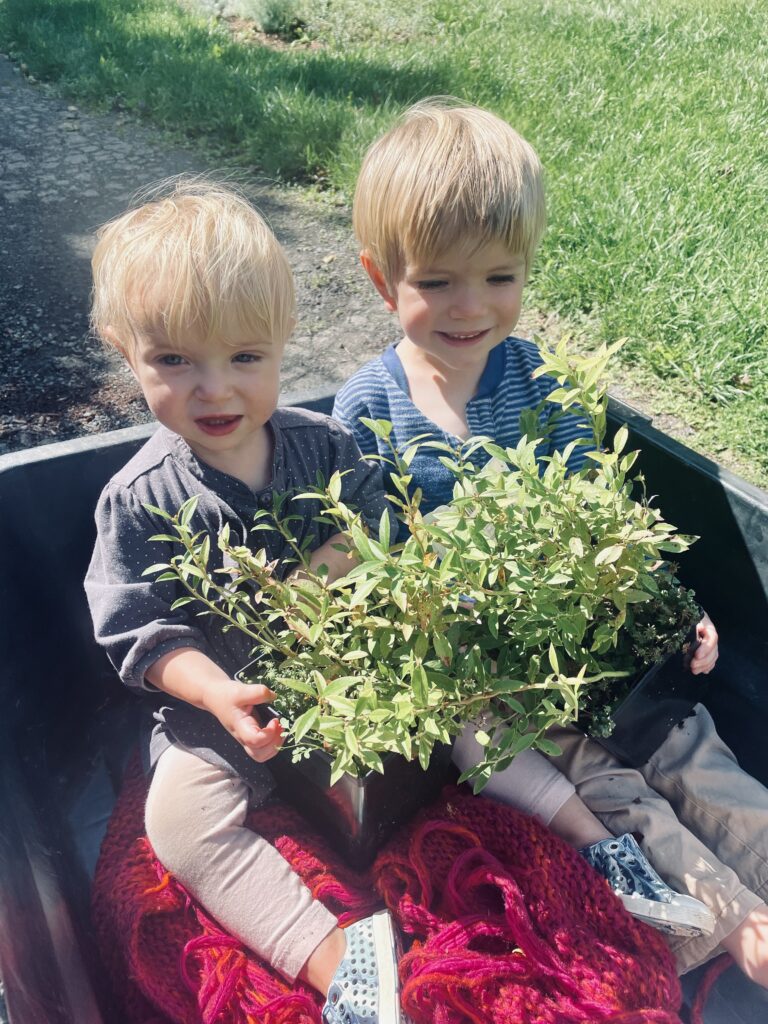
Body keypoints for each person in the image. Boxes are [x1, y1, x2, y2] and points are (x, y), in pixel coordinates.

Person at [332, 97, 768, 985]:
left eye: (499, 277)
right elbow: (374, 560)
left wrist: (670, 607)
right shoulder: (363, 411)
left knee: (691, 746)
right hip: (494, 674)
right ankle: (729, 925)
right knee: (605, 783)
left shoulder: (541, 384)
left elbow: (603, 518)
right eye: (437, 282)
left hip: (594, 647)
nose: (472, 307)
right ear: (385, 282)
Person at [84, 177, 403, 1024]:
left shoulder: (324, 446)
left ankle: (600, 841)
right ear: (128, 354)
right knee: (177, 826)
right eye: (175, 361)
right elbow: (137, 628)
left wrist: (327, 573)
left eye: (245, 359)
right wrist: (213, 692)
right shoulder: (141, 496)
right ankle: (344, 965)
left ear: (284, 343)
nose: (215, 391)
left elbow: (380, 524)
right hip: (222, 713)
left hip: (350, 684)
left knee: (487, 726)